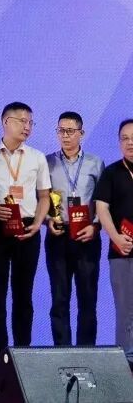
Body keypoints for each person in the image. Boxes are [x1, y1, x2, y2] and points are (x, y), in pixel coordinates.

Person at [0, 102, 51, 365]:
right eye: (22, 121)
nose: (27, 127)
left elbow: (44, 196)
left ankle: (23, 354)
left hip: (27, 229)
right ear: (6, 122)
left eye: (30, 122)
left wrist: (38, 223)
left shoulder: (37, 157)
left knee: (23, 293)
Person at [44, 111, 103, 347]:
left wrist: (96, 226)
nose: (65, 136)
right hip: (58, 234)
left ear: (81, 133)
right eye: (61, 131)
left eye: (70, 131)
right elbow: (42, 198)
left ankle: (87, 352)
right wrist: (48, 219)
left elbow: (102, 200)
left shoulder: (95, 163)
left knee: (87, 298)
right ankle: (62, 351)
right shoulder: (47, 162)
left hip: (87, 235)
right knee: (59, 298)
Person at [92, 119, 133, 371]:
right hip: (122, 251)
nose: (130, 143)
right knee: (126, 310)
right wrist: (116, 237)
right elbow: (101, 208)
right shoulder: (111, 173)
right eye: (125, 138)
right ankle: (126, 361)